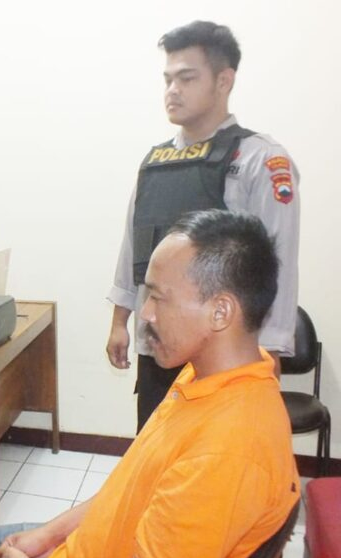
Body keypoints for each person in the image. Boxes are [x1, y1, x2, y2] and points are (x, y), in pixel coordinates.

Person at [0, 210, 299, 558]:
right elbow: (129, 489)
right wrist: (49, 534)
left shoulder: (227, 448)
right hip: (78, 549)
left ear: (220, 312)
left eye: (158, 297)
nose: (145, 313)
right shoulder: (212, 374)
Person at [105, 21, 300, 432]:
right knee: (156, 454)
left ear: (223, 81)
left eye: (187, 78)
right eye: (168, 80)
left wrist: (270, 354)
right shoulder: (154, 163)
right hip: (157, 347)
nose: (172, 90)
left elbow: (278, 266)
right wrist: (120, 322)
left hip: (223, 359)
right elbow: (133, 248)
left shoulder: (259, 160)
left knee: (216, 459)